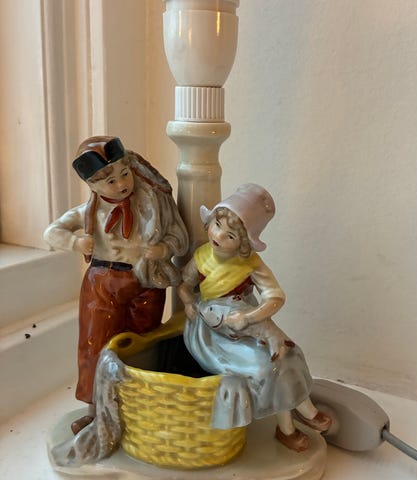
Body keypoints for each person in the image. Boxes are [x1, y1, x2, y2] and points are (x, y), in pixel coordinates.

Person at [44, 136, 188, 434]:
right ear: (93, 185)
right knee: (95, 344)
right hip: (103, 282)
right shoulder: (89, 212)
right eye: (110, 181)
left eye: (125, 173)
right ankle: (95, 410)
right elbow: (52, 232)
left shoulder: (153, 206)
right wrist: (75, 242)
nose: (122, 184)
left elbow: (179, 236)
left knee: (144, 342)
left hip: (145, 282)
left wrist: (163, 249)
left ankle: (138, 406)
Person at [178, 183, 331, 452]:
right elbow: (184, 286)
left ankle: (295, 419)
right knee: (266, 368)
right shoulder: (201, 257)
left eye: (230, 235)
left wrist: (250, 317)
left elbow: (275, 296)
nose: (218, 235)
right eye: (217, 225)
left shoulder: (251, 264)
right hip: (212, 332)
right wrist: (189, 302)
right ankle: (295, 420)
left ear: (244, 243)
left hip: (245, 324)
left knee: (288, 356)